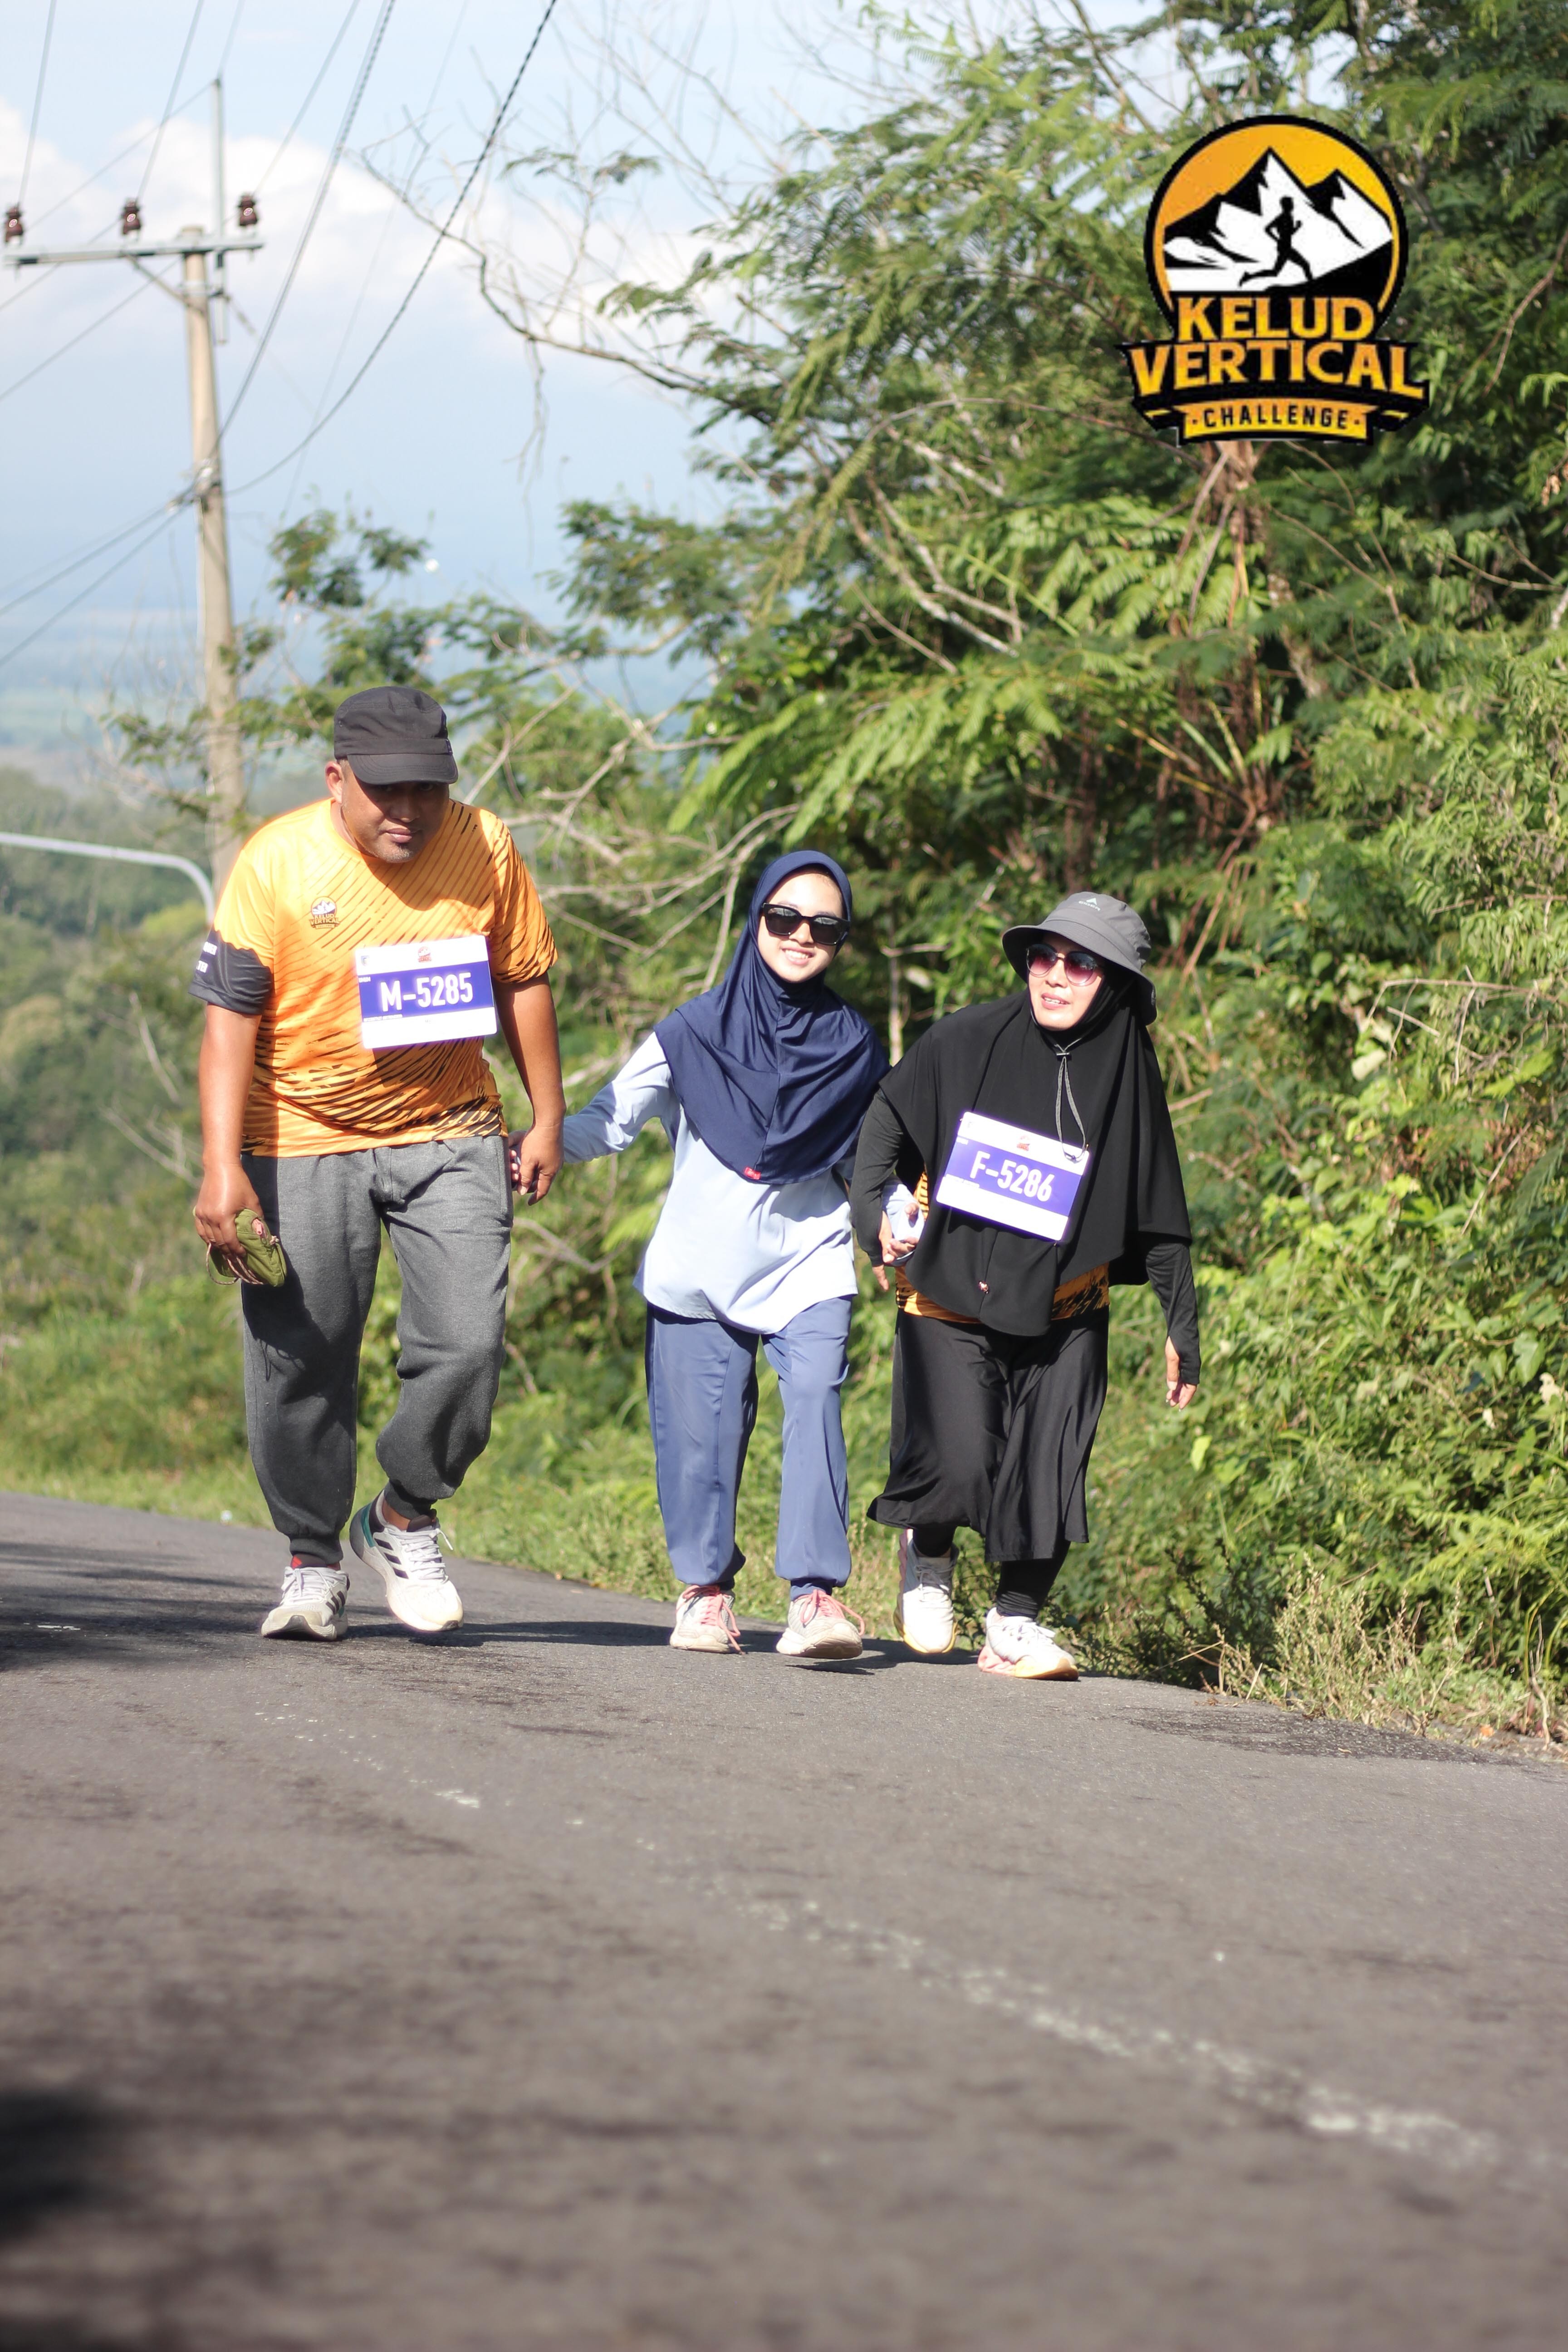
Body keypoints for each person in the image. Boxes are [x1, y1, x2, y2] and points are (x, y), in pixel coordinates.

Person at [191, 684, 564, 1642]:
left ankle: (402, 1515)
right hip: (301, 1135)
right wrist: (223, 1167)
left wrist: (548, 1115)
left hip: (451, 1126)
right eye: (385, 790)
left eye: (427, 789)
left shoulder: (484, 845)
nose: (408, 810)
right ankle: (312, 1560)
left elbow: (522, 977)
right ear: (336, 779)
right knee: (303, 1355)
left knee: (469, 1343)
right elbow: (229, 1022)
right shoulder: (277, 862)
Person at [850, 892, 1199, 1678]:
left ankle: (1015, 1621)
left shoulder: (1130, 1071)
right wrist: (875, 1215)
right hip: (948, 1292)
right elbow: (886, 1120)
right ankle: (928, 1554)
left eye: (1080, 964)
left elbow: (1159, 1205)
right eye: (1045, 956)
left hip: (1067, 1305)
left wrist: (1182, 1326)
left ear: (1115, 983)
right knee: (960, 1460)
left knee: (1050, 1468)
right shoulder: (967, 1037)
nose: (1054, 975)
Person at [557, 852, 887, 1660]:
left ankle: (813, 1596)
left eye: (824, 927)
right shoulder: (692, 1032)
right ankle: (704, 1593)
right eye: (785, 918)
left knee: (815, 1392)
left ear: (840, 941)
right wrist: (532, 1145)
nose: (802, 936)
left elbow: (869, 1159)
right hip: (702, 1264)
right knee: (701, 1438)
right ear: (756, 919)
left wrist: (894, 1219)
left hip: (808, 1260)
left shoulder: (854, 1046)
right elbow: (610, 1119)